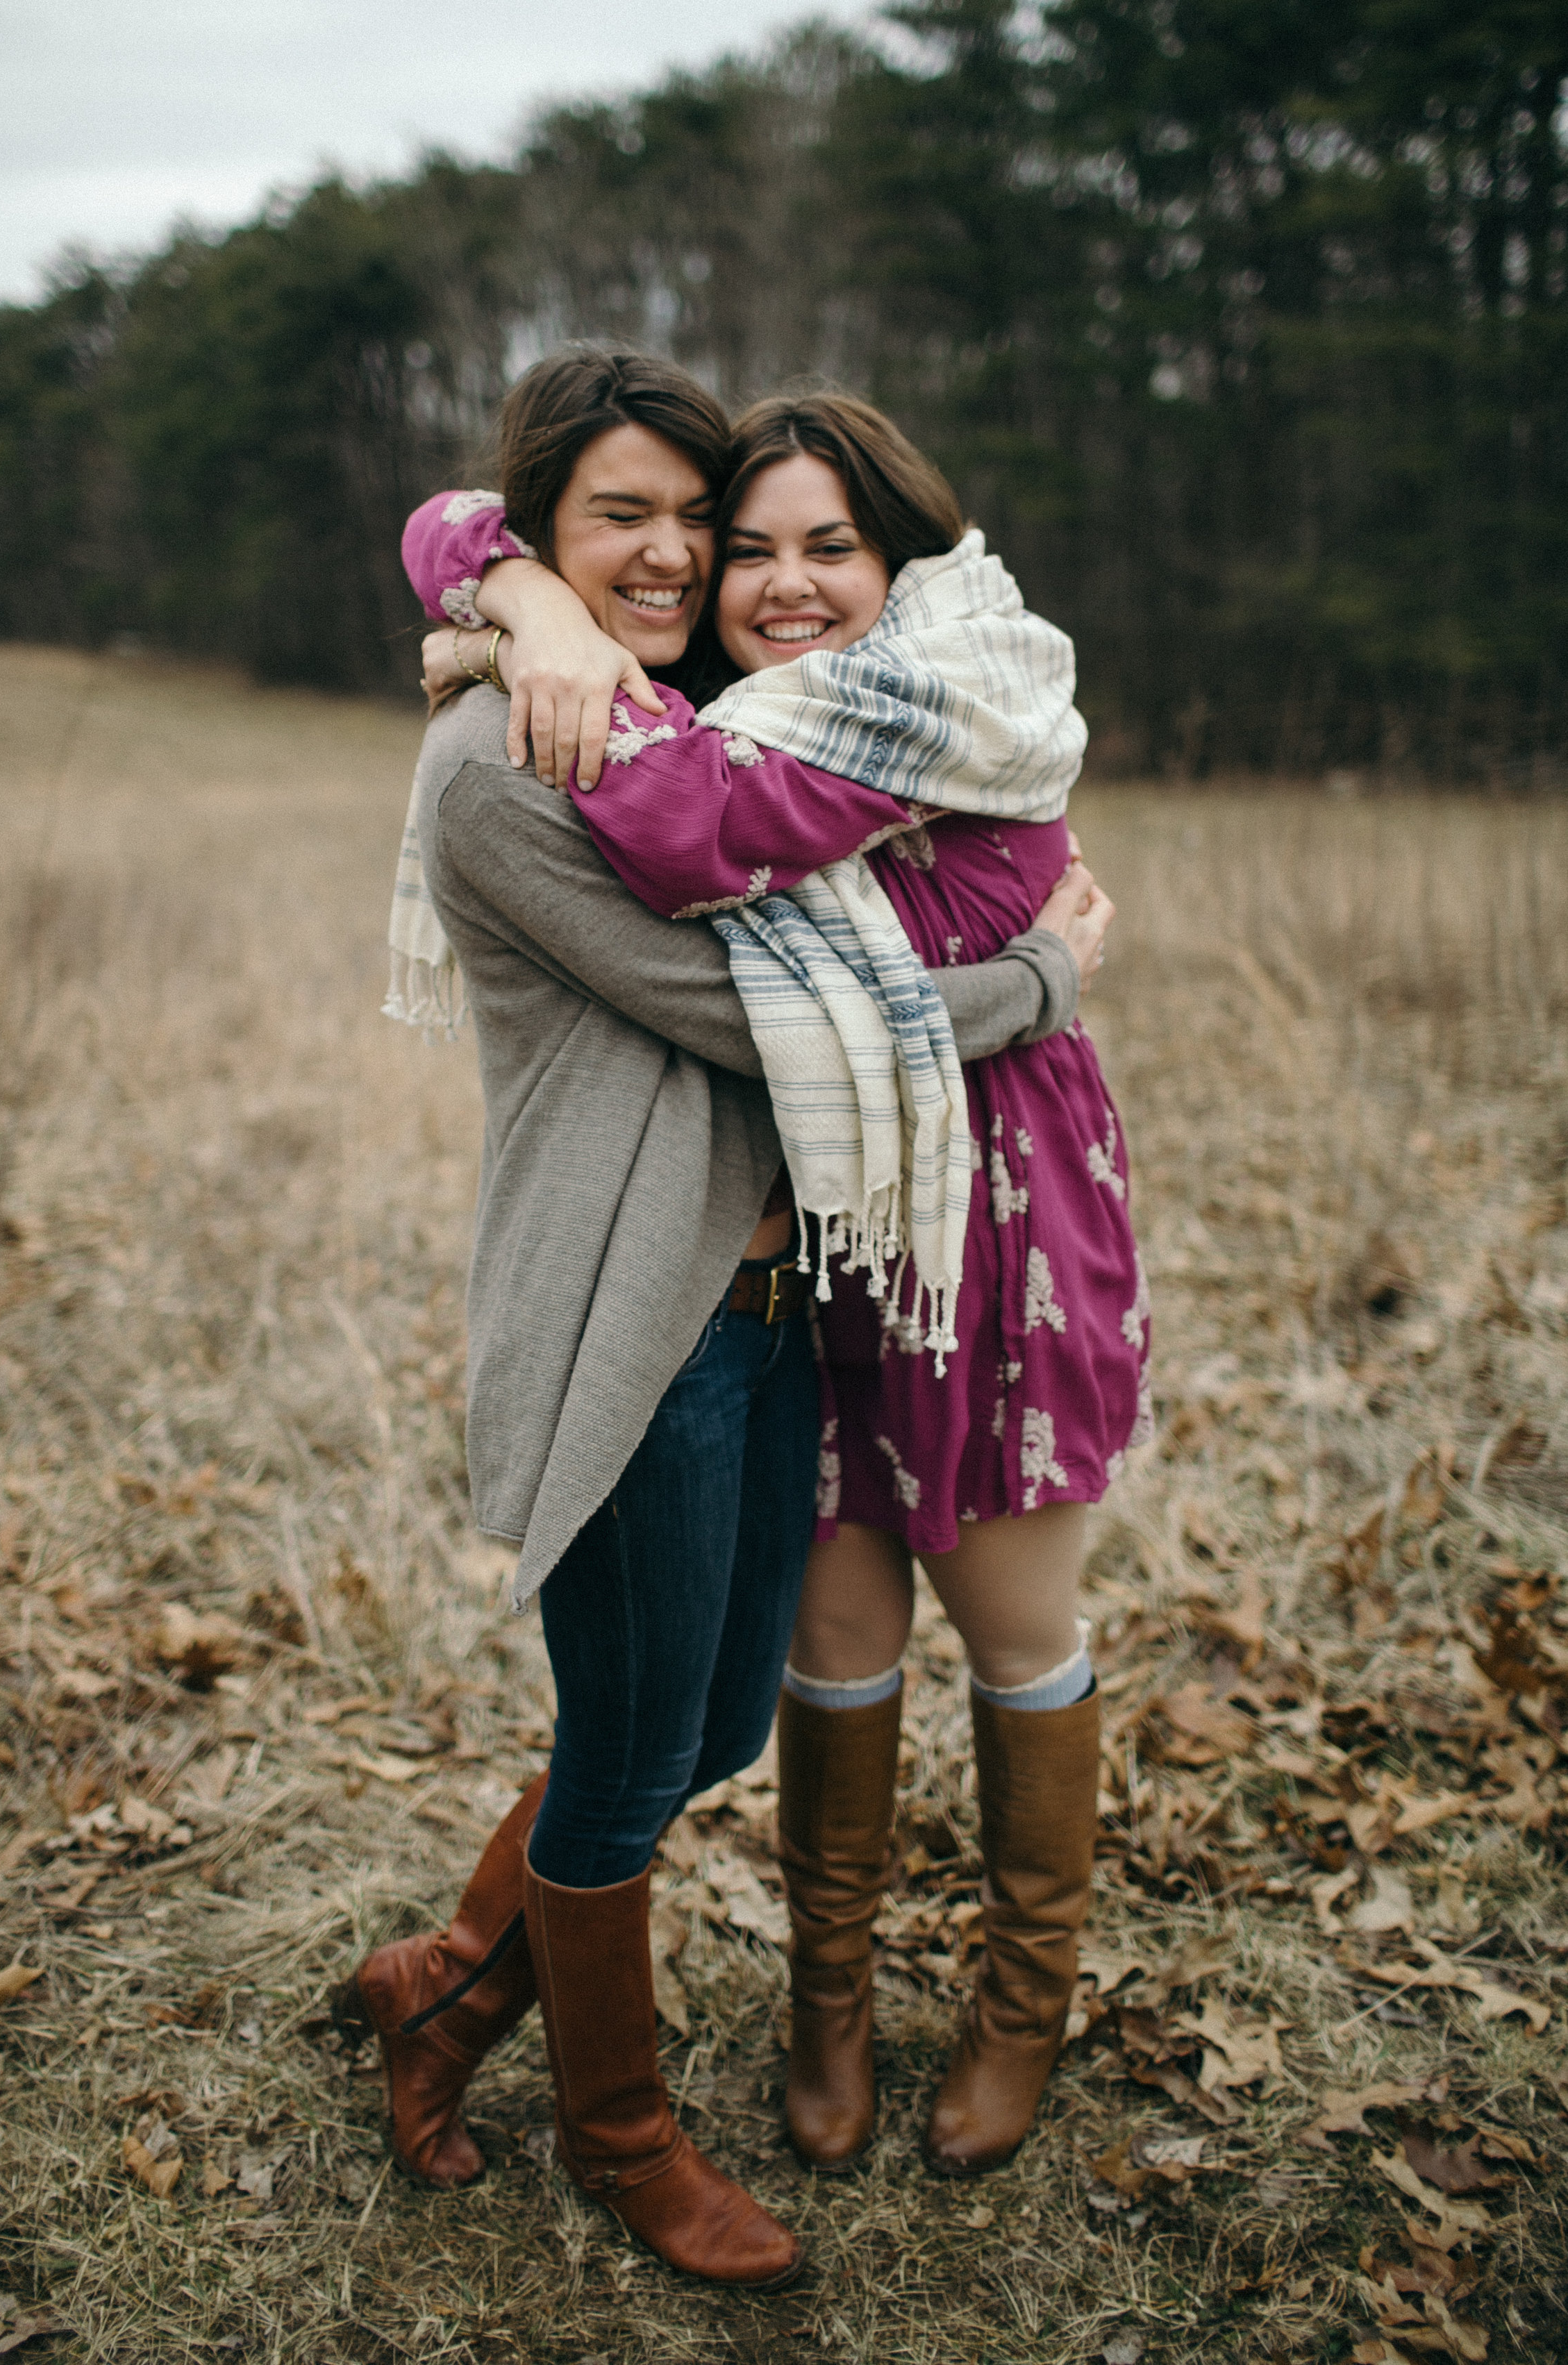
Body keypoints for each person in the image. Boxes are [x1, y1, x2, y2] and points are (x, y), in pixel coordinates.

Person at [351, 349, 1107, 2290]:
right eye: (627, 517)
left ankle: (444, 1987)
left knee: (692, 1737)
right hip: (637, 1306)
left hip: (769, 1297)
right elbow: (759, 1019)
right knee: (628, 1749)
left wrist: (508, 582)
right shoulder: (510, 760)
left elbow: (476, 543)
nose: (681, 552)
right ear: (544, 536)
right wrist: (1039, 982)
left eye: (696, 515)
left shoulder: (668, 708)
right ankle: (621, 2140)